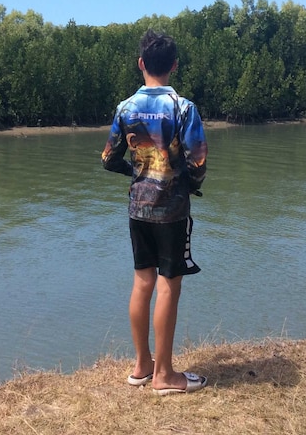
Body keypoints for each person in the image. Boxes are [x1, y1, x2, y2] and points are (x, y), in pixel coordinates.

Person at [101, 28, 209, 395]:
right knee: (168, 286)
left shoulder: (125, 108)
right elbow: (198, 163)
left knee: (142, 282)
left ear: (141, 64)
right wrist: (187, 183)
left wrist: (136, 171)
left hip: (137, 208)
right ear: (174, 66)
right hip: (171, 211)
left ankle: (141, 366)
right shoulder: (183, 108)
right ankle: (164, 375)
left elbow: (107, 158)